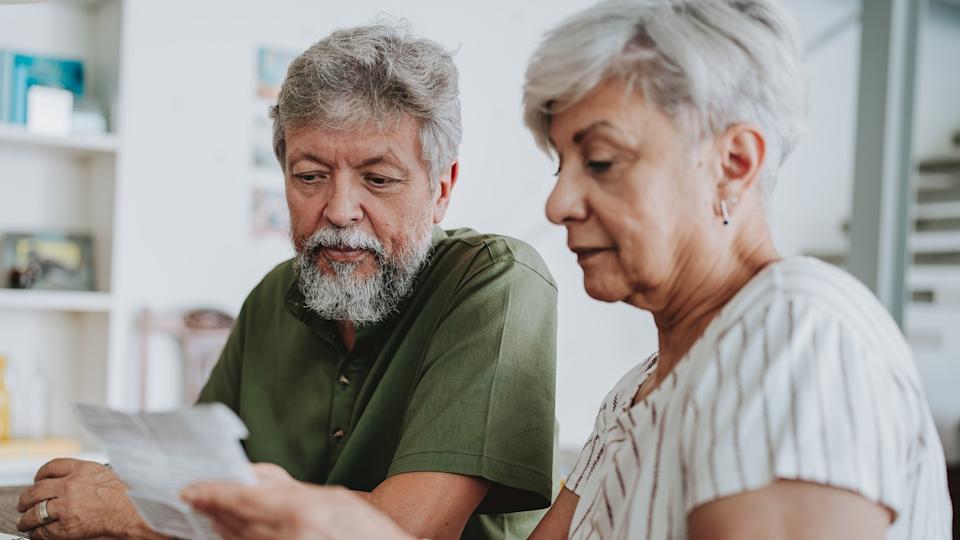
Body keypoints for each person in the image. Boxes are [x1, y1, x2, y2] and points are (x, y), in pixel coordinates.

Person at [178, 0, 953, 538]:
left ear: (734, 163)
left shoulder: (797, 334)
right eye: (561, 163)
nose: (557, 203)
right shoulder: (636, 398)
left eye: (603, 160)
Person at [15, 23, 558, 540]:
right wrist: (110, 489)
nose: (340, 209)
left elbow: (405, 530)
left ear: (442, 189)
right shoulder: (277, 294)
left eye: (378, 179)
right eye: (310, 177)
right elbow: (190, 475)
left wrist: (144, 513)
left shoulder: (497, 281)